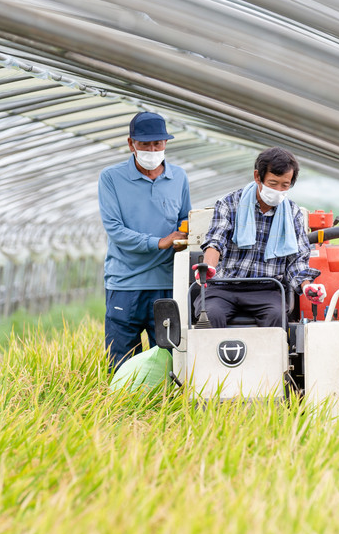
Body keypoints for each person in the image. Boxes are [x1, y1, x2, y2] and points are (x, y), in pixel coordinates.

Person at [98, 111, 191, 368]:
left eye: (157, 144)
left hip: (166, 283)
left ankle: (166, 408)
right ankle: (121, 408)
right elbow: (115, 229)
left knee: (170, 358)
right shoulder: (111, 178)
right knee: (121, 359)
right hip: (125, 283)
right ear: (131, 144)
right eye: (144, 144)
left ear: (165, 144)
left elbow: (185, 223)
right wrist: (158, 242)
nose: (152, 149)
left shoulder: (179, 177)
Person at [197, 146, 326, 327]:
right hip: (224, 287)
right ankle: (209, 356)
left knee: (276, 316)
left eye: (285, 185)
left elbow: (297, 259)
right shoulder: (229, 203)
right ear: (258, 177)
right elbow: (215, 241)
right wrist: (209, 268)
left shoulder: (292, 213)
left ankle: (271, 356)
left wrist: (307, 286)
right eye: (273, 184)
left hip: (266, 289)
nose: (278, 190)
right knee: (210, 315)